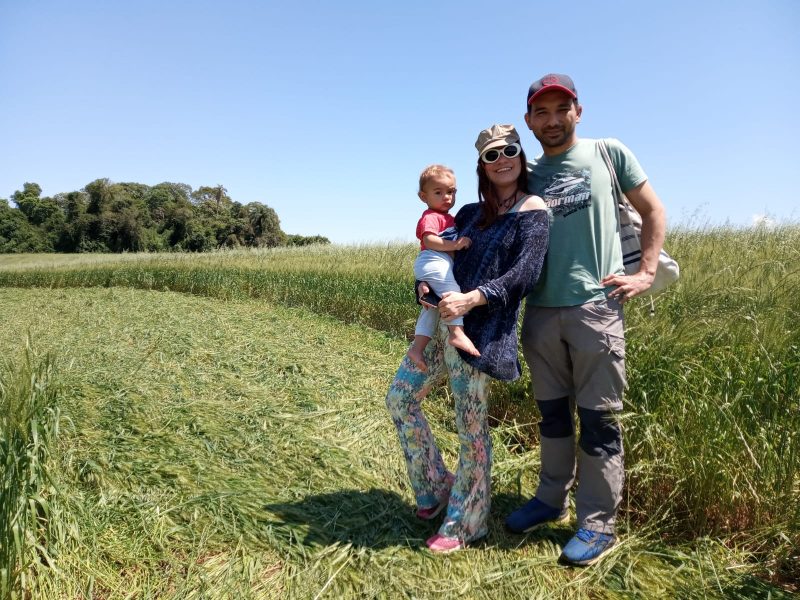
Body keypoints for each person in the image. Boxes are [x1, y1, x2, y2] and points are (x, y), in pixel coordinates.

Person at [504, 73, 668, 567]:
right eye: (541, 112)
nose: (552, 121)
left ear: (578, 111)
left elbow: (654, 210)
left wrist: (645, 273)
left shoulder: (608, 152)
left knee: (598, 420)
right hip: (540, 312)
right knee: (552, 416)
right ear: (529, 121)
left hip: (596, 308)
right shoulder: (528, 173)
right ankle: (550, 500)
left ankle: (597, 524)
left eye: (562, 109)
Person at [385, 124, 549, 553]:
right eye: (492, 155)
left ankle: (467, 521)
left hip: (482, 334)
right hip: (442, 325)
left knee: (470, 426)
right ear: (482, 164)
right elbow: (434, 257)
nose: (502, 160)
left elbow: (524, 276)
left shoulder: (534, 211)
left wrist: (471, 300)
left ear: (520, 155)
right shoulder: (468, 214)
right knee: (401, 397)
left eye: (509, 151)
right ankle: (436, 484)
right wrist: (423, 290)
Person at [407, 164, 480, 373]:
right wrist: (455, 245)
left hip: (436, 263)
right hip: (432, 259)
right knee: (452, 293)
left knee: (431, 308)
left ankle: (417, 348)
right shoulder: (432, 216)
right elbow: (429, 240)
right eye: (438, 192)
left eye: (451, 192)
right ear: (423, 196)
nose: (446, 197)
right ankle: (456, 333)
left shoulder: (450, 218)